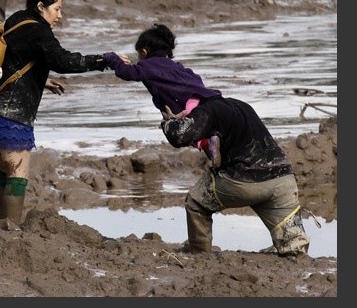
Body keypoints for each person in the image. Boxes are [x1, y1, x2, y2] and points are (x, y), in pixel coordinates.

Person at [0, 0, 107, 225]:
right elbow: (63, 60)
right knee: (18, 173)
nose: (59, 15)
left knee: (6, 170)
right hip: (11, 114)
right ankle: (10, 231)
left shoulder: (16, 20)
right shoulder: (39, 31)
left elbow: (9, 60)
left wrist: (41, 80)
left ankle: (0, 225)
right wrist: (101, 60)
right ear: (41, 6)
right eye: (56, 9)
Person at [161, 94, 311, 256]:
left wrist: (170, 123)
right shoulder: (239, 105)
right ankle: (297, 255)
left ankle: (199, 253)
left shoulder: (207, 110)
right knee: (294, 243)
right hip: (283, 178)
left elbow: (180, 136)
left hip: (246, 180)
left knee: (196, 201)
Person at [103, 23, 222, 164]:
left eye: (138, 54)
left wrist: (112, 58)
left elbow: (128, 73)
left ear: (144, 52)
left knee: (184, 133)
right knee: (202, 130)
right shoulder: (175, 65)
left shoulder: (147, 66)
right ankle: (211, 143)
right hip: (202, 99)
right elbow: (195, 78)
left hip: (184, 105)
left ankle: (207, 144)